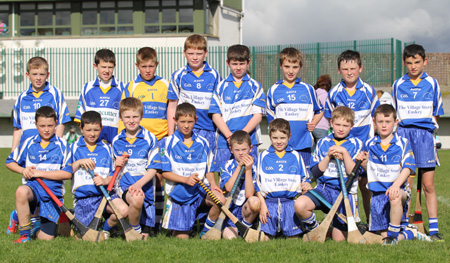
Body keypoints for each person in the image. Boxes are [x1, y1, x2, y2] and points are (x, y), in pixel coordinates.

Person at [357, 104, 430, 245]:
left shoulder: (403, 143)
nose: (384, 125)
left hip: (398, 192)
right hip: (377, 195)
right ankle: (410, 233)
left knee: (394, 196)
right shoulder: (369, 144)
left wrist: (396, 185)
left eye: (388, 122)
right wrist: (363, 162)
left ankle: (393, 237)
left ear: (395, 122)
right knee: (383, 236)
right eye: (380, 122)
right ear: (374, 122)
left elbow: (408, 168)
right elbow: (369, 170)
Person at [391, 44, 444, 241]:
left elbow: (436, 112)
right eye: (409, 63)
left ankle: (434, 229)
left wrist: (428, 133)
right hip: (404, 135)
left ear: (425, 61)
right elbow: (395, 112)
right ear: (404, 63)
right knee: (407, 183)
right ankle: (405, 224)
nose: (413, 66)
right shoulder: (398, 84)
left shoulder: (432, 83)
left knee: (428, 185)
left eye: (417, 62)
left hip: (424, 136)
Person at [325, 50, 380, 222]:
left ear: (360, 68)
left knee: (366, 186)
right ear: (339, 70)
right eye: (345, 68)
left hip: (364, 149)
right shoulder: (333, 93)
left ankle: (373, 223)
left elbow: (376, 119)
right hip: (344, 148)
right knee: (343, 185)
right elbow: (330, 120)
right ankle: (345, 222)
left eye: (353, 68)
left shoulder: (369, 92)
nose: (349, 72)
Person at [294, 106, 363, 241]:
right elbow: (315, 172)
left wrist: (345, 153)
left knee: (339, 240)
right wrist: (328, 156)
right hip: (324, 190)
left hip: (345, 193)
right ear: (331, 123)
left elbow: (352, 173)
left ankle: (344, 226)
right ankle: (316, 228)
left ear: (352, 126)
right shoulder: (323, 142)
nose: (341, 128)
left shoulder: (356, 143)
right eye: (337, 124)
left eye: (345, 125)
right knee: (300, 205)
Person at [120, 47, 170, 233]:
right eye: (144, 66)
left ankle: (156, 222)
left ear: (156, 65)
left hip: (161, 138)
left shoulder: (165, 84)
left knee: (159, 178)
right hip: (137, 140)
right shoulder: (132, 86)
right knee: (138, 176)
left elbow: (170, 110)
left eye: (151, 66)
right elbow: (124, 113)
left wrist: (169, 137)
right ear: (137, 66)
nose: (148, 70)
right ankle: (137, 221)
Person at [5, 106, 70, 243]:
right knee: (21, 191)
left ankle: (25, 220)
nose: (46, 129)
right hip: (33, 189)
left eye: (50, 125)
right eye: (42, 126)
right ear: (35, 125)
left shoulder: (63, 145)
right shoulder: (29, 142)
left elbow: (67, 173)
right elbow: (10, 162)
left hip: (52, 195)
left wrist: (40, 173)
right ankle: (24, 235)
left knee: (46, 238)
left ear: (56, 124)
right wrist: (23, 170)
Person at [161, 103, 223, 239]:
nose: (186, 125)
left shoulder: (204, 142)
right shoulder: (167, 143)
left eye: (190, 121)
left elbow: (210, 169)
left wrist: (213, 183)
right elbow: (164, 173)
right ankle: (181, 228)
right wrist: (185, 179)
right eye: (182, 121)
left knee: (220, 199)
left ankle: (205, 232)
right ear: (175, 120)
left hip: (201, 191)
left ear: (196, 120)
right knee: (182, 238)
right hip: (180, 195)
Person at [63, 111, 129, 238]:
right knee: (83, 232)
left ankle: (105, 230)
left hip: (105, 194)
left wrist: (105, 181)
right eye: (88, 130)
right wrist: (79, 162)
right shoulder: (74, 147)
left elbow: (113, 175)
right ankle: (74, 215)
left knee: (124, 210)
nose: (92, 134)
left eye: (96, 130)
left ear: (101, 128)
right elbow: (66, 171)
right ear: (81, 129)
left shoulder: (107, 148)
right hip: (85, 197)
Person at [266, 47, 323, 168]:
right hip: (282, 144)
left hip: (303, 143)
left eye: (295, 67)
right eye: (287, 66)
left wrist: (314, 123)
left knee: (304, 179)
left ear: (300, 67)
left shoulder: (308, 89)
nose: (291, 71)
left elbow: (320, 110)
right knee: (285, 176)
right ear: (281, 66)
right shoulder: (274, 90)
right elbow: (270, 115)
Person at [209, 44, 265, 165]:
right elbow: (215, 115)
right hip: (225, 142)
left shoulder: (255, 86)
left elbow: (258, 116)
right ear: (228, 63)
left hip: (249, 142)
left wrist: (242, 136)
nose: (238, 67)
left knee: (250, 177)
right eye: (234, 64)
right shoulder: (220, 87)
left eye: (242, 63)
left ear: (248, 62)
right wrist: (229, 136)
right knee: (226, 180)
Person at [111, 97, 159, 237]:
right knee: (136, 199)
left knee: (147, 234)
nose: (131, 120)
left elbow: (153, 169)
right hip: (125, 187)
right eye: (127, 117)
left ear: (141, 116)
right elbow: (112, 169)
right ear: (121, 118)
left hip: (145, 187)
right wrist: (116, 162)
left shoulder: (150, 138)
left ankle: (134, 231)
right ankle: (133, 232)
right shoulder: (116, 141)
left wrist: (138, 184)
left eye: (135, 116)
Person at [257, 118, 311, 238]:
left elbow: (305, 179)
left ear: (289, 137)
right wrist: (263, 206)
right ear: (270, 137)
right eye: (275, 138)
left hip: (290, 203)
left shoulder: (296, 156)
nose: (279, 141)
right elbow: (257, 185)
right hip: (269, 204)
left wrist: (306, 186)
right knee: (264, 238)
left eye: (282, 138)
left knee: (293, 238)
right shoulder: (263, 156)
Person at [167, 34, 222, 154]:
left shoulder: (214, 75)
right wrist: (171, 135)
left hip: (208, 130)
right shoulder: (178, 75)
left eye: (199, 53)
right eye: (191, 53)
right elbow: (172, 106)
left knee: (206, 167)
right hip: (184, 130)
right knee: (184, 165)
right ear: (184, 53)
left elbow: (220, 106)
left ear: (206, 53)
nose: (195, 57)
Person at [12, 57, 71, 152]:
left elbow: (61, 122)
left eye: (42, 74)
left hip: (49, 148)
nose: (38, 78)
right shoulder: (22, 97)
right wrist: (13, 151)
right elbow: (18, 128)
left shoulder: (55, 93)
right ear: (27, 75)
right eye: (34, 74)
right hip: (26, 149)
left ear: (47, 75)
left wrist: (56, 145)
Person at [74, 49, 125, 144]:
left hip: (116, 140)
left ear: (115, 66)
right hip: (93, 142)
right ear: (95, 66)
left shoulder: (122, 87)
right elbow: (80, 117)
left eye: (110, 67)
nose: (107, 71)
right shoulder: (87, 88)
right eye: (103, 67)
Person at [219, 130, 261, 239]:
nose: (241, 153)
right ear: (231, 150)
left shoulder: (254, 167)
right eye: (237, 150)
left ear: (251, 149)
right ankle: (234, 230)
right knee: (230, 238)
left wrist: (248, 170)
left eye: (244, 150)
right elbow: (228, 188)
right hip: (230, 210)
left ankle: (245, 227)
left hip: (245, 208)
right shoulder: (227, 165)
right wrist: (239, 167)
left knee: (255, 201)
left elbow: (249, 194)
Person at [313, 74, 332, 147]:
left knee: (312, 152)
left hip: (311, 126)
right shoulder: (326, 96)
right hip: (322, 127)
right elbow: (328, 111)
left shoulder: (313, 94)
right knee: (322, 150)